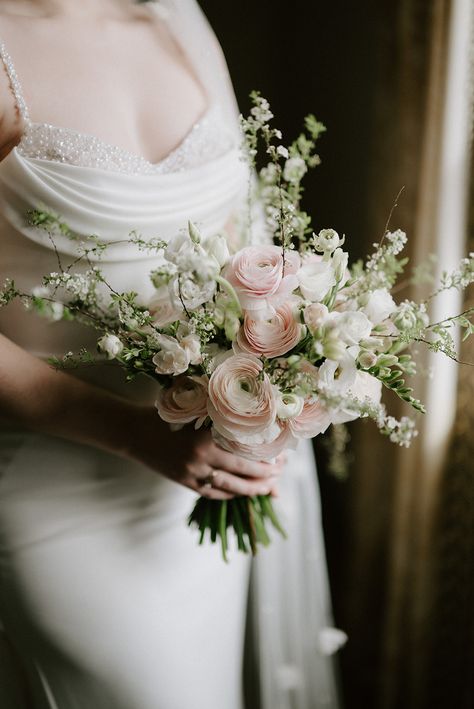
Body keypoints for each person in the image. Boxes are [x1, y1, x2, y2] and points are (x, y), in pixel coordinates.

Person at [0, 1, 342, 707]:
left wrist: (272, 374)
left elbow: (239, 240)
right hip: (60, 487)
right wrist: (129, 432)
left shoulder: (173, 18)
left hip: (198, 482)